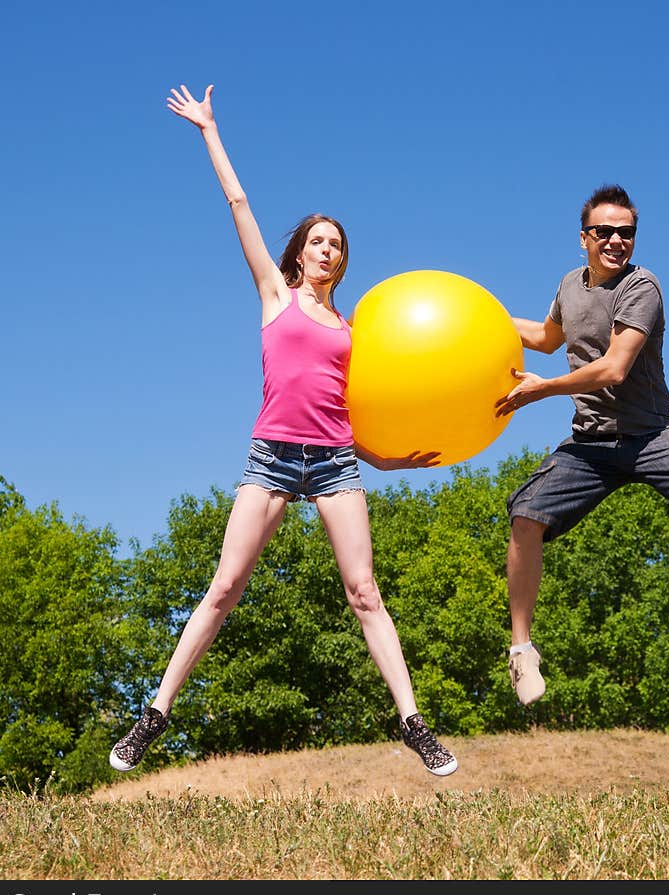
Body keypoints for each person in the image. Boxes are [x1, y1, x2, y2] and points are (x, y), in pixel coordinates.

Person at [109, 84, 457, 777]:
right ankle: (154, 716)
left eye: (337, 246)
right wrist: (209, 129)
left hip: (334, 464)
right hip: (270, 459)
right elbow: (239, 205)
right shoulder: (275, 295)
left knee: (365, 594)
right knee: (224, 587)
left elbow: (352, 413)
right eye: (318, 242)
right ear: (299, 254)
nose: (327, 252)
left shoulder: (355, 331)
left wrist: (387, 462)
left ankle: (414, 723)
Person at [495, 184, 669, 705]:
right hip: (592, 443)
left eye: (625, 233)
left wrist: (541, 389)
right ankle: (521, 651)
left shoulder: (641, 287)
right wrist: (480, 318)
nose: (615, 241)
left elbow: (613, 368)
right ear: (584, 238)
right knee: (525, 517)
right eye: (603, 232)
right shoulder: (570, 284)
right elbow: (543, 337)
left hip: (653, 436)